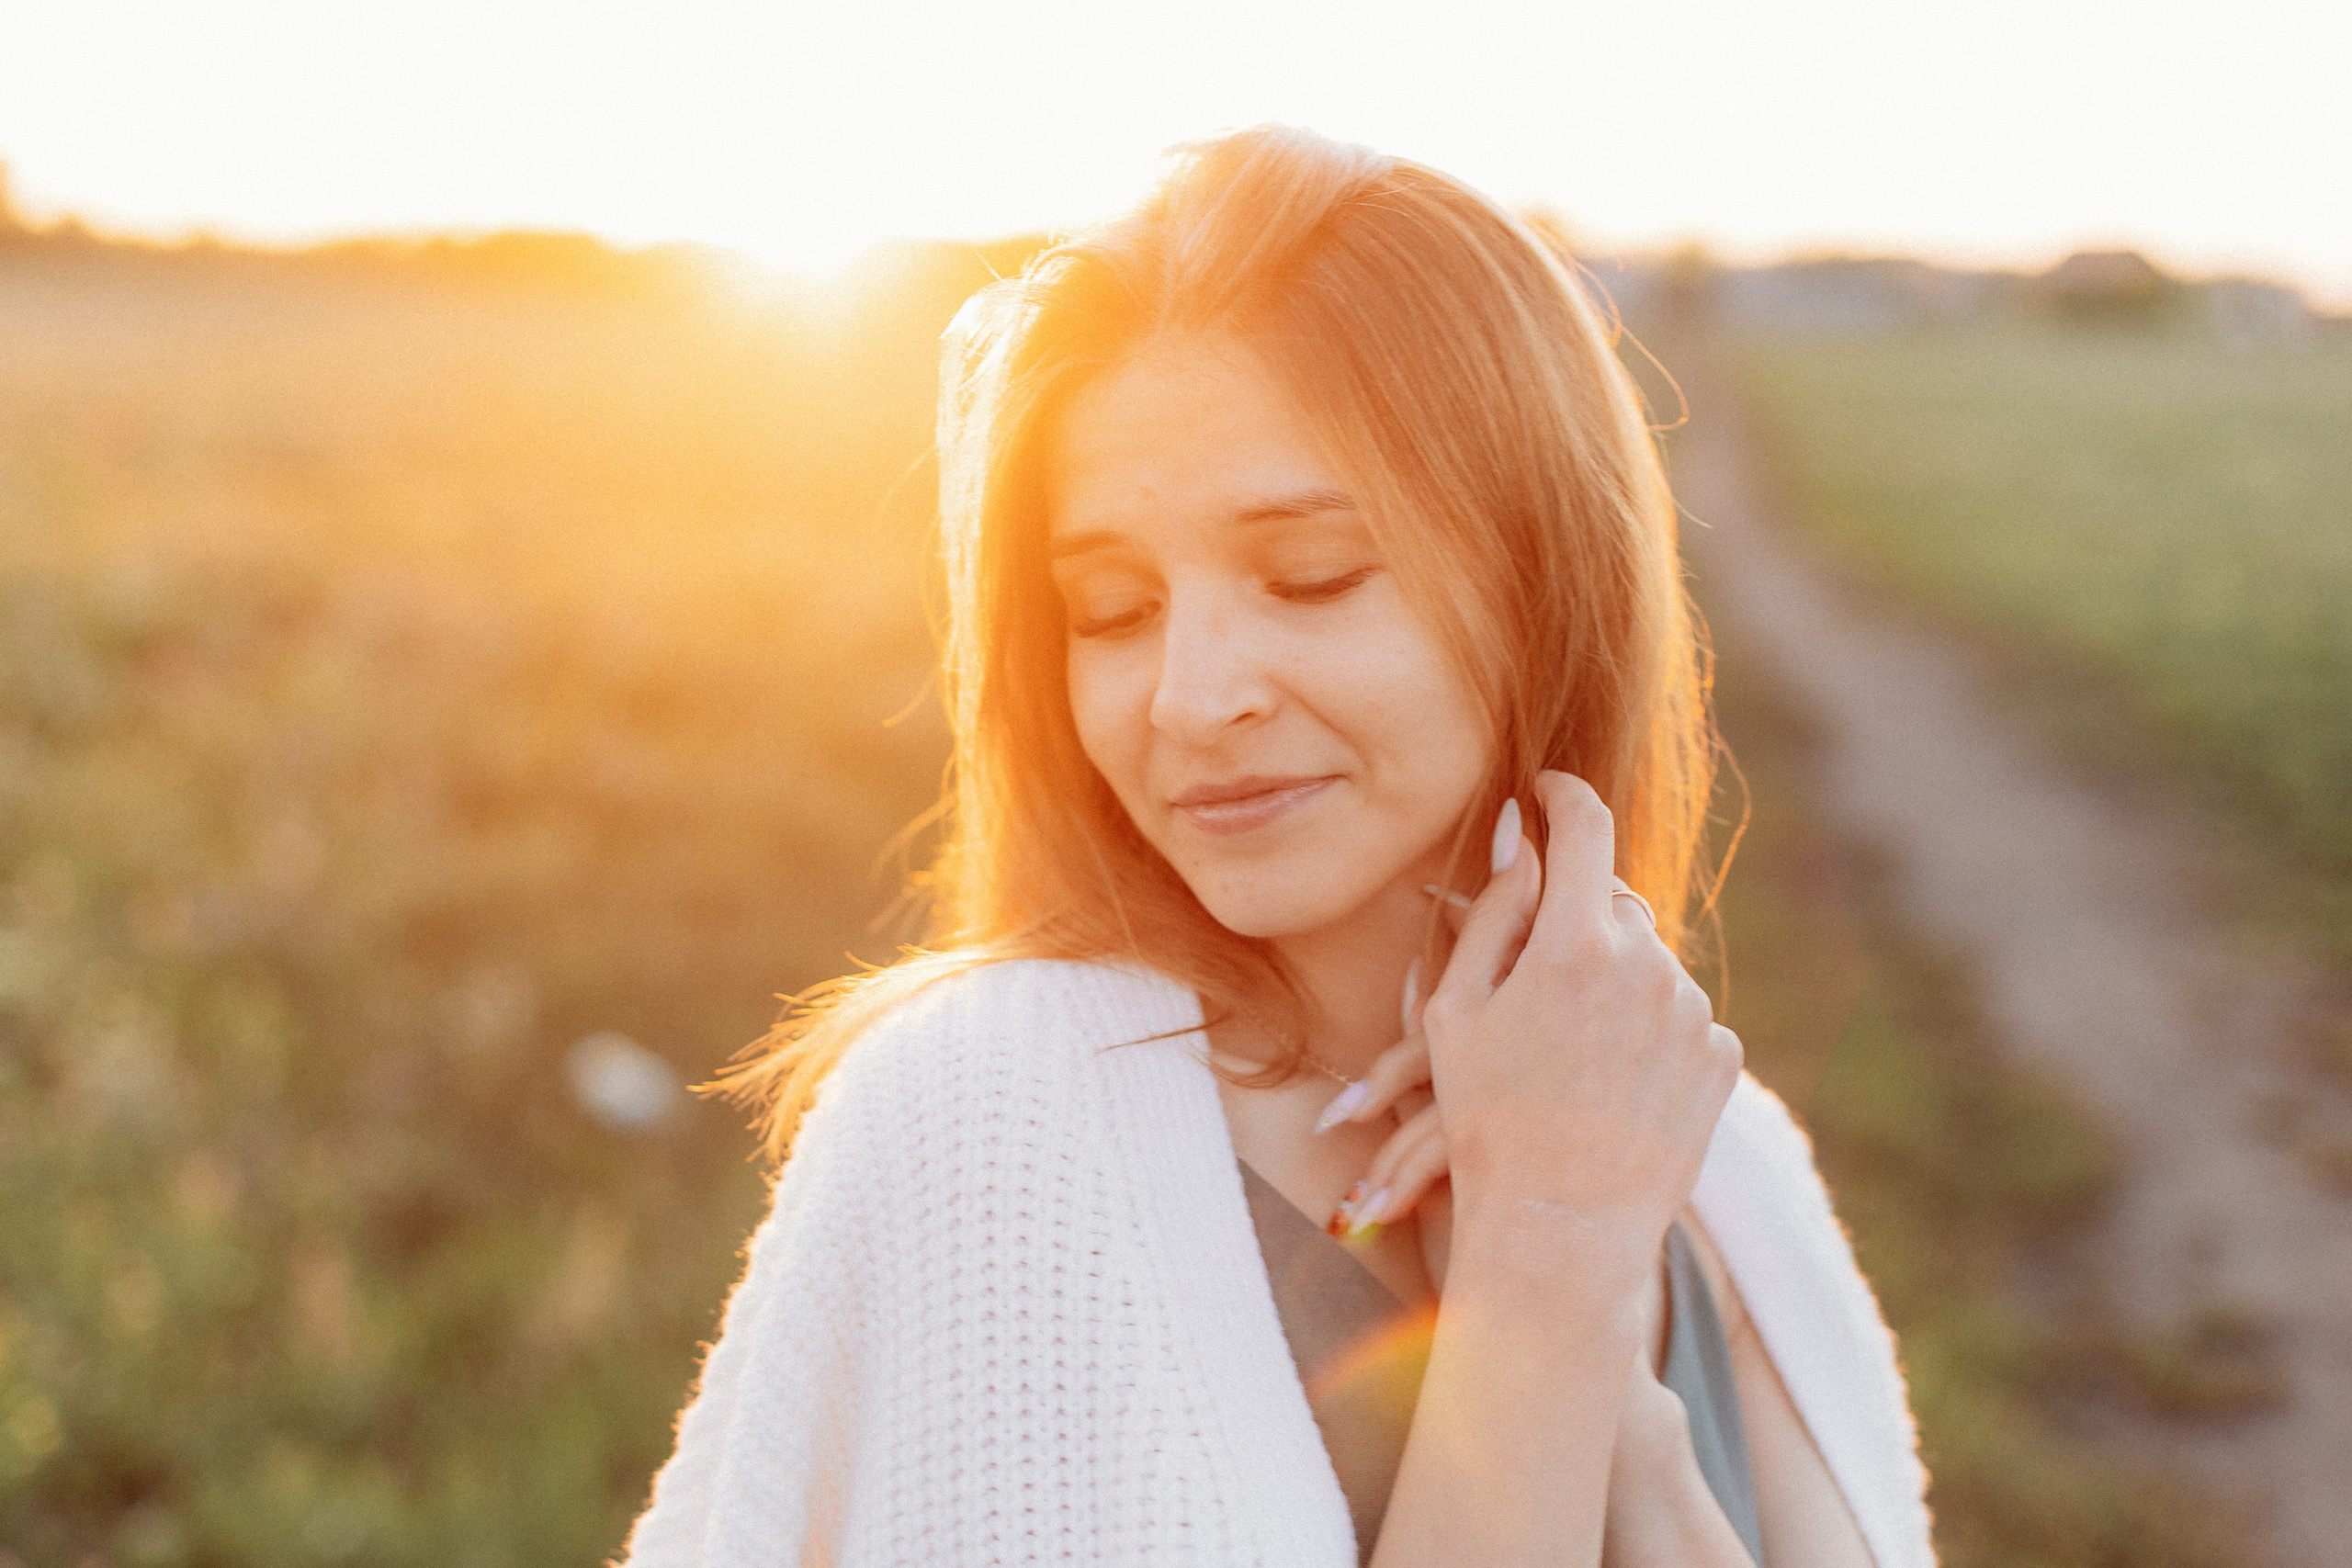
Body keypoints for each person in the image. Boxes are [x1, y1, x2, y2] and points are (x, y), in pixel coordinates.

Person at [621, 126, 1932, 1567]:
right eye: (1112, 610)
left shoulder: (1722, 1159)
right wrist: (1546, 1265)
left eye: (1309, 577)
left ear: (1544, 579)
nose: (1193, 696)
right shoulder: (993, 1117)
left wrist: (1627, 1419)